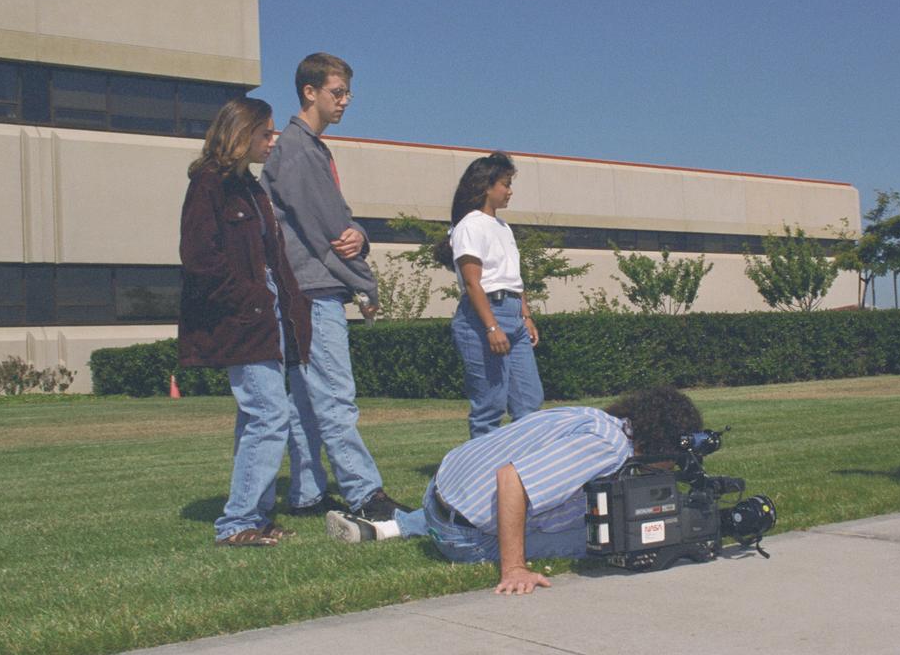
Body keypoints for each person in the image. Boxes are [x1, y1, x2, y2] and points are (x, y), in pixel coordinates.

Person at [326, 386, 703, 595]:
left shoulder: (599, 420)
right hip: (468, 538)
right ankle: (450, 536)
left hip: (441, 492)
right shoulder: (609, 447)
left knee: (568, 495)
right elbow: (512, 480)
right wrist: (514, 568)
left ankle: (391, 527)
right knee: (611, 534)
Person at [260, 52, 408, 524]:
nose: (345, 102)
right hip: (315, 292)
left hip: (302, 289)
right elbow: (328, 231)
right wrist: (367, 286)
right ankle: (365, 494)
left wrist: (359, 233)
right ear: (310, 92)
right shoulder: (301, 151)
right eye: (337, 92)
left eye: (347, 93)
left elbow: (337, 226)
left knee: (305, 400)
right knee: (335, 397)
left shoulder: (301, 149)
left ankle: (306, 494)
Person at [178, 97, 312, 546]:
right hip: (243, 319)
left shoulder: (251, 189)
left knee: (258, 417)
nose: (272, 141)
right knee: (270, 415)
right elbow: (200, 259)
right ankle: (237, 523)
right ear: (241, 133)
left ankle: (254, 515)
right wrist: (249, 298)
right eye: (265, 133)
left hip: (267, 317)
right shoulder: (209, 184)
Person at [431, 152, 544, 437]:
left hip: (514, 316)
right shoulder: (469, 226)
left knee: (529, 402)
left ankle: (522, 472)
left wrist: (526, 316)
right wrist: (491, 327)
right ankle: (480, 474)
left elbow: (514, 279)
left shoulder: (504, 228)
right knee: (489, 406)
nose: (510, 191)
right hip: (482, 318)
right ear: (486, 187)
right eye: (505, 184)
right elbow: (473, 283)